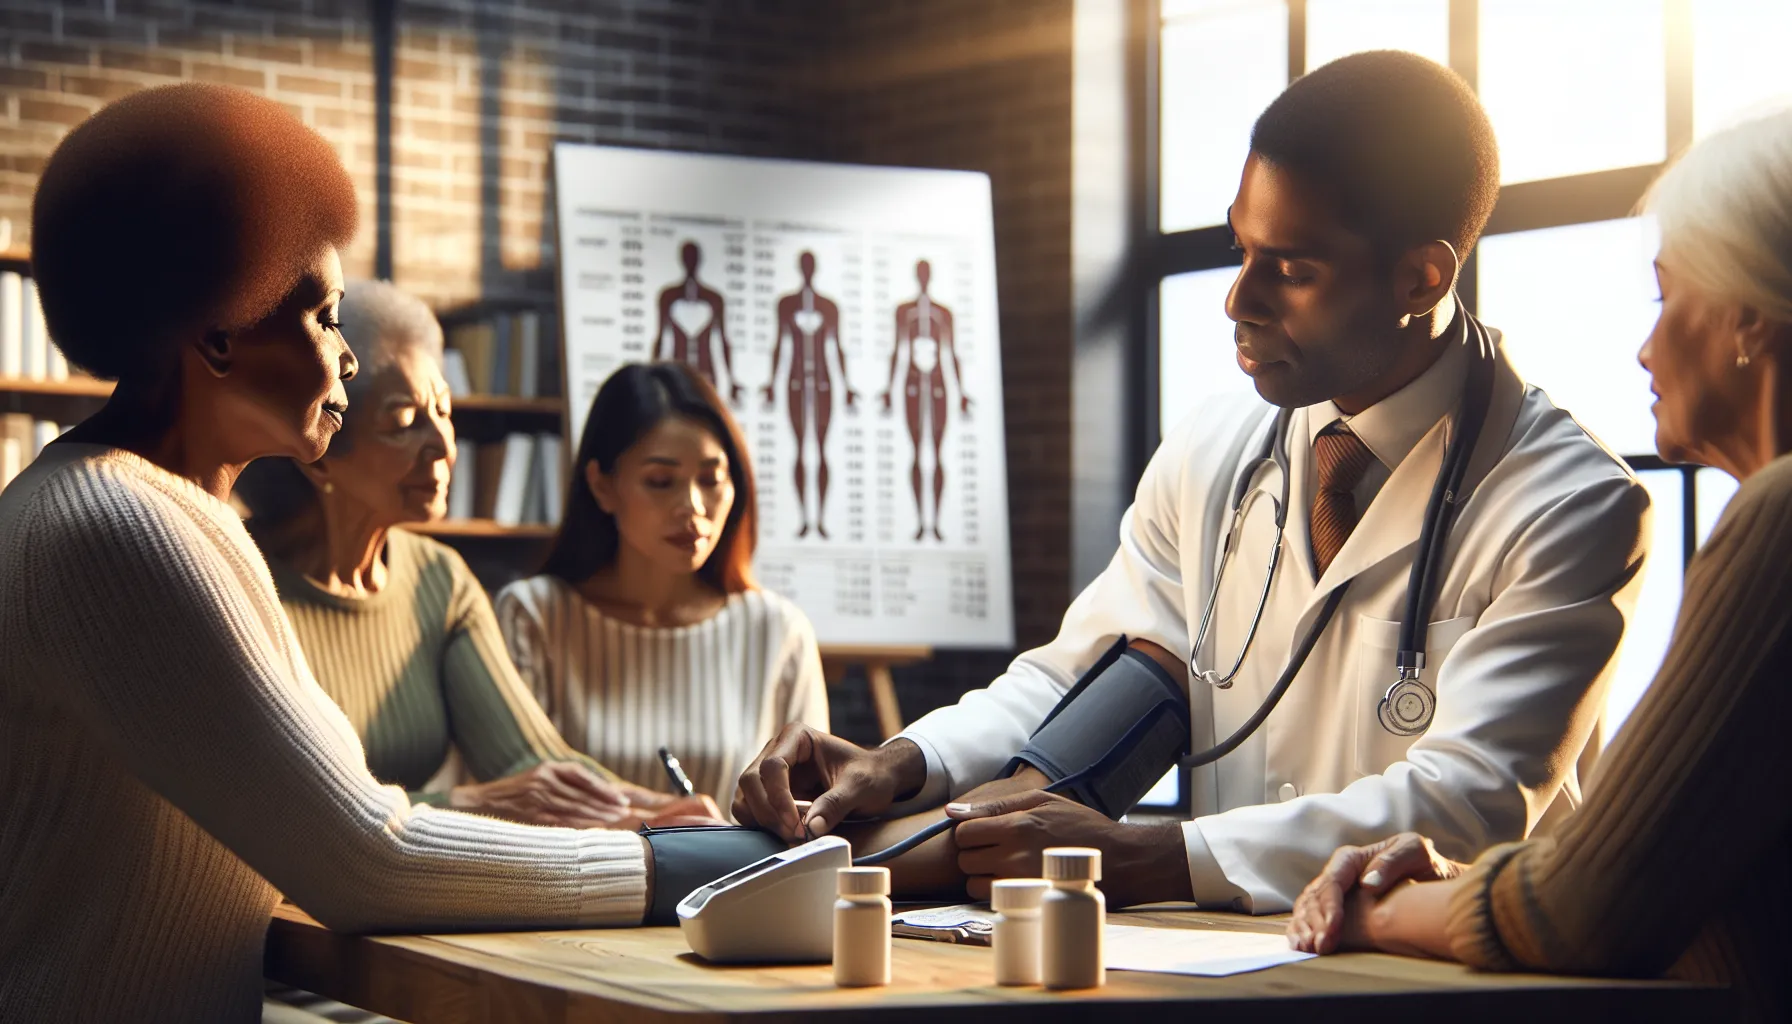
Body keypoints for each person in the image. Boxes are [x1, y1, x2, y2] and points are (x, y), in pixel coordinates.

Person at [733, 50, 1650, 913]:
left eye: (1291, 270)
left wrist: (1149, 856)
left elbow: (1471, 800)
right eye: (1240, 250)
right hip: (1231, 974)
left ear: (1421, 276)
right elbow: (1077, 670)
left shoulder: (1570, 503)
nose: (1238, 300)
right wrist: (902, 760)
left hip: (1435, 988)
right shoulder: (1216, 450)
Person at [0, 84, 652, 1023]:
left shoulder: (174, 513)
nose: (348, 357)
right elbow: (368, 856)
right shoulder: (114, 527)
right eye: (325, 316)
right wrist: (690, 867)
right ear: (219, 332)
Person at [1287, 107, 1792, 1023]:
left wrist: (1379, 909)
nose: (1645, 347)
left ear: (1749, 319)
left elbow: (1587, 909)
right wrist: (1464, 882)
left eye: (1668, 298)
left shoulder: (1782, 517)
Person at [236, 279, 716, 830]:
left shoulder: (439, 579)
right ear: (318, 452)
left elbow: (531, 763)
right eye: (403, 424)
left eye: (443, 410)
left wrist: (670, 814)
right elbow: (273, 805)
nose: (443, 445)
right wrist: (462, 803)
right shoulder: (239, 577)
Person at [496, 361, 828, 818]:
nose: (693, 508)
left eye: (712, 479)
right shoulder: (534, 616)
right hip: (579, 888)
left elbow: (810, 822)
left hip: (743, 890)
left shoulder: (777, 631)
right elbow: (507, 808)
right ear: (602, 486)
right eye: (660, 481)